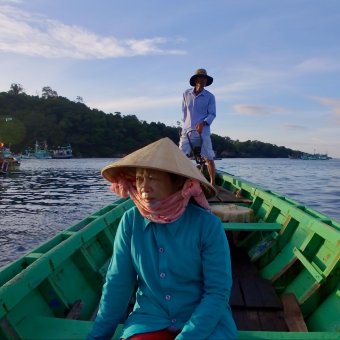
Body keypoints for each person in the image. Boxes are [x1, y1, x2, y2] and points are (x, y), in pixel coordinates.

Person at [86, 138, 237, 340]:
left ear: (178, 182)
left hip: (205, 323)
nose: (143, 187)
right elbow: (117, 284)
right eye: (140, 178)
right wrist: (97, 337)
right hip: (150, 319)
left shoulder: (208, 225)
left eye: (153, 178)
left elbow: (217, 292)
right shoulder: (131, 221)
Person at [179, 69, 218, 191]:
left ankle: (212, 184)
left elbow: (212, 114)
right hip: (187, 132)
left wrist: (204, 123)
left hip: (203, 132)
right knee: (181, 157)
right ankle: (180, 183)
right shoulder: (186, 94)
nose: (202, 80)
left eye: (204, 78)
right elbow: (184, 113)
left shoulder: (210, 97)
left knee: (208, 158)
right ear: (195, 80)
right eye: (200, 78)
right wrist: (184, 127)